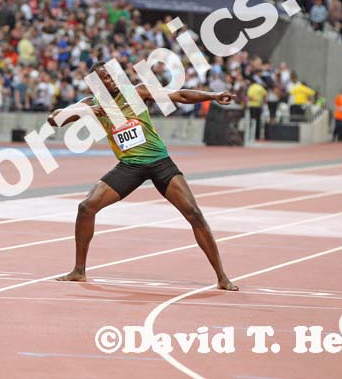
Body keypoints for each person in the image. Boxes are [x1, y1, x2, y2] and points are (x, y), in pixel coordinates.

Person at [48, 63, 238, 291]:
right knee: (86, 207)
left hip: (159, 162)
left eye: (114, 75)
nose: (113, 80)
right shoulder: (91, 103)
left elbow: (179, 95)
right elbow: (54, 119)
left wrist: (213, 95)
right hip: (129, 166)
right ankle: (79, 271)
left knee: (194, 214)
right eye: (106, 78)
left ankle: (221, 276)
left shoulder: (137, 92)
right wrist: (87, 112)